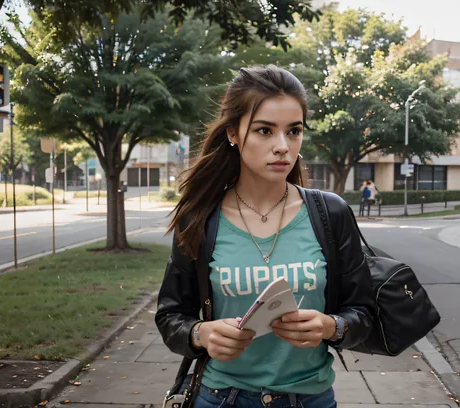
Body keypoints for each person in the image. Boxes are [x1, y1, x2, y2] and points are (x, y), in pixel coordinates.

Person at [155, 65, 374, 408]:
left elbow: (363, 313)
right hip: (220, 397)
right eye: (264, 130)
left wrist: (331, 326)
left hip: (310, 398)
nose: (283, 147)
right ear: (233, 133)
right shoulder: (200, 217)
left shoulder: (330, 214)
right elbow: (170, 317)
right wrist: (202, 334)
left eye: (294, 131)